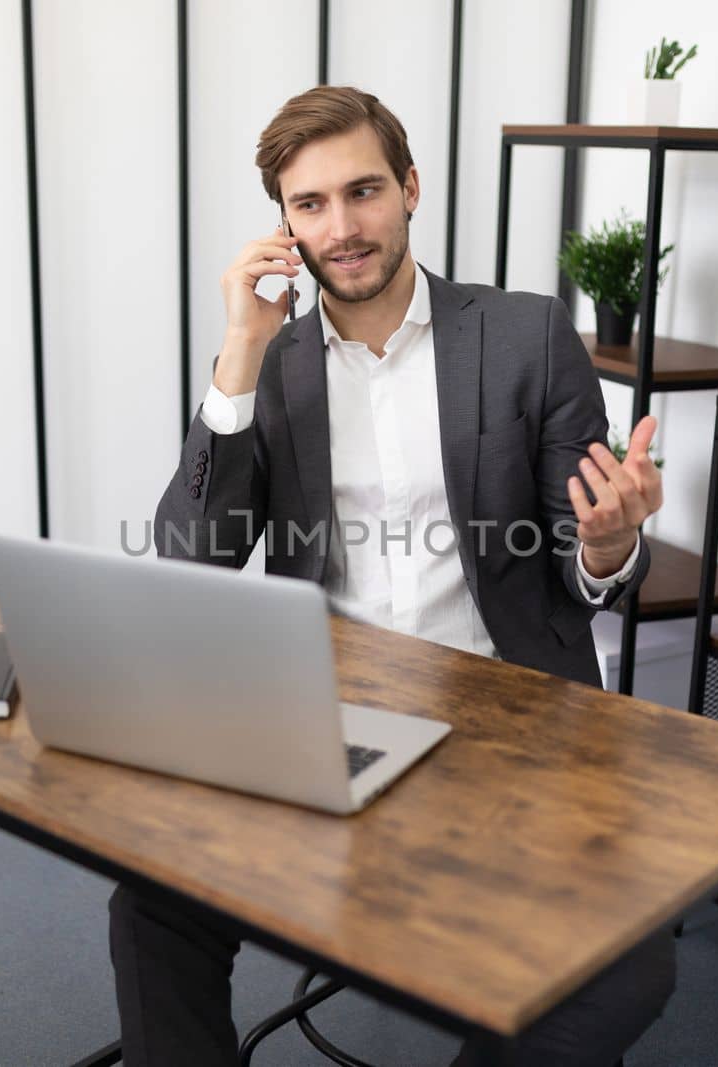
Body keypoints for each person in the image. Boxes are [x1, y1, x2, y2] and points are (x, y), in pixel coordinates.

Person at [113, 85, 673, 1066]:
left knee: (625, 971)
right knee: (151, 903)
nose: (342, 225)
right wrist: (237, 353)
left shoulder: (524, 337)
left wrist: (603, 545)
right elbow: (191, 553)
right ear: (284, 224)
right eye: (309, 204)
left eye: (363, 190)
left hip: (506, 724)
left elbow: (582, 559)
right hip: (323, 716)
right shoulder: (269, 366)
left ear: (410, 189)